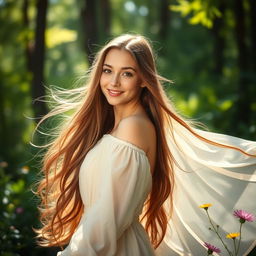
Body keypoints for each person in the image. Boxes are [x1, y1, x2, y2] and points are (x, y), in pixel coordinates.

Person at [34, 34, 256, 256]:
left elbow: (105, 222)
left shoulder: (133, 128)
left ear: (143, 79)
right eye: (108, 70)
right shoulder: (119, 128)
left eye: (127, 73)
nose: (113, 82)